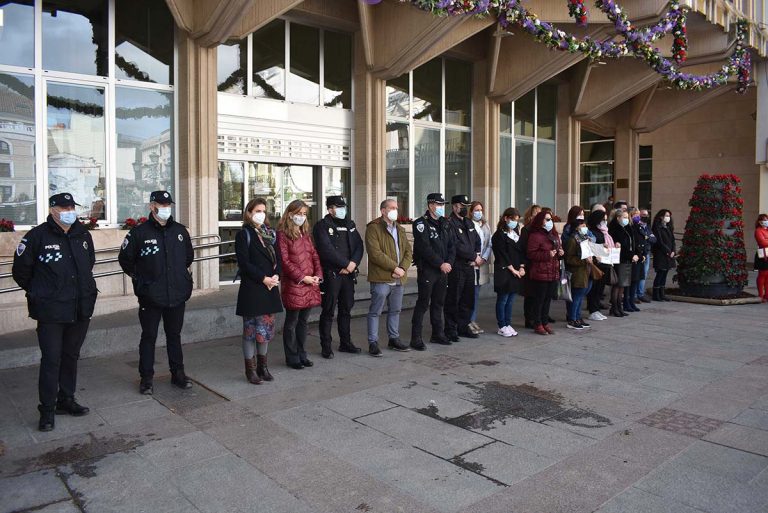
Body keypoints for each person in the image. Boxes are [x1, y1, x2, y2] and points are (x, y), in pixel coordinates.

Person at [13, 193, 98, 432]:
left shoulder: (83, 235)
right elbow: (21, 272)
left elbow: (88, 264)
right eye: (64, 207)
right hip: (51, 311)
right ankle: (47, 410)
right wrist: (41, 293)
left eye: (72, 206)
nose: (70, 210)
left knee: (71, 356)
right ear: (53, 210)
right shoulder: (36, 237)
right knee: (51, 360)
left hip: (79, 307)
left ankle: (66, 399)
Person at [119, 191, 194, 395]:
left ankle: (178, 373)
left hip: (176, 294)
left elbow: (188, 257)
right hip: (150, 296)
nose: (166, 208)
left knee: (174, 335)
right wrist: (142, 280)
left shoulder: (179, 231)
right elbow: (125, 259)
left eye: (168, 204)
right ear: (152, 206)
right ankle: (146, 378)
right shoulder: (139, 233)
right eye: (162, 204)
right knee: (149, 336)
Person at [235, 198, 281, 384]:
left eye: (263, 210)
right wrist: (264, 278)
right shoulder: (244, 234)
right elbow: (244, 263)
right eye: (257, 210)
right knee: (251, 332)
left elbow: (278, 259)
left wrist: (276, 276)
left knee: (266, 331)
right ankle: (250, 370)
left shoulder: (270, 233)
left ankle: (263, 367)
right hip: (253, 289)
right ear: (249, 212)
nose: (261, 214)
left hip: (270, 288)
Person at [312, 196, 364, 359]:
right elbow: (326, 250)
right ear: (330, 209)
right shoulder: (322, 226)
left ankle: (345, 342)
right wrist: (344, 264)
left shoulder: (350, 224)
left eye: (343, 206)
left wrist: (353, 263)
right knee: (328, 311)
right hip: (332, 274)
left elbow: (359, 245)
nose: (342, 209)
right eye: (338, 207)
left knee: (346, 309)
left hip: (348, 275)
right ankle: (326, 346)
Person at [277, 200, 322, 368]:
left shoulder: (305, 233)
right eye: (299, 213)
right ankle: (292, 356)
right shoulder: (282, 235)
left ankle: (302, 353)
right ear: (290, 214)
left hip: (310, 283)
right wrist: (302, 277)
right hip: (295, 284)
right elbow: (285, 261)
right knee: (292, 322)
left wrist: (318, 275)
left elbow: (314, 256)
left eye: (304, 214)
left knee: (304, 321)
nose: (301, 217)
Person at [365, 199, 413, 354]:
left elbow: (407, 251)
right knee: (375, 311)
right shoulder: (373, 228)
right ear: (383, 210)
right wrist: (395, 267)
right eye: (392, 208)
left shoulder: (399, 228)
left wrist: (402, 268)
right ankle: (373, 342)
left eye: (396, 208)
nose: (395, 211)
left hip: (399, 277)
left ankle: (394, 338)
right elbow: (375, 254)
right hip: (381, 278)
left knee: (395, 310)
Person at [411, 193, 455, 348]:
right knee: (423, 303)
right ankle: (415, 337)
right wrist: (440, 263)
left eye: (443, 204)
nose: (441, 207)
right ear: (430, 205)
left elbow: (452, 246)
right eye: (439, 204)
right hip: (428, 270)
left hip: (443, 271)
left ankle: (438, 334)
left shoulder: (446, 223)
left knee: (438, 303)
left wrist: (448, 263)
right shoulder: (420, 223)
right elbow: (424, 248)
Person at [445, 195, 482, 341]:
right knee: (454, 299)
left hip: (469, 267)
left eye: (466, 206)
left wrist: (476, 256)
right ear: (454, 207)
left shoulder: (468, 222)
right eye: (462, 206)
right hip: (457, 267)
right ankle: (450, 329)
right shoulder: (450, 223)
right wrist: (474, 257)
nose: (465, 209)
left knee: (468, 299)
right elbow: (456, 246)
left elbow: (477, 240)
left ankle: (463, 326)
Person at [526, 211, 562, 335]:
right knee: (539, 300)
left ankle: (545, 322)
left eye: (550, 219)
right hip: (540, 272)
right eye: (547, 219)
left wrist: (560, 253)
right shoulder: (535, 235)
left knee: (547, 299)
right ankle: (538, 323)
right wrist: (547, 255)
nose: (549, 222)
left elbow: (557, 249)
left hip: (552, 271)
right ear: (540, 221)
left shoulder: (553, 234)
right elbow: (531, 254)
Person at [491, 208, 525, 337]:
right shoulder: (499, 235)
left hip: (516, 270)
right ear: (506, 218)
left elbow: (521, 251)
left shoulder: (515, 233)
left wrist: (522, 267)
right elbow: (501, 255)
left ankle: (508, 323)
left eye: (517, 220)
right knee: (503, 299)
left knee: (511, 299)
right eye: (513, 219)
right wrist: (513, 269)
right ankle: (502, 325)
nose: (515, 222)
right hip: (505, 271)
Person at [565, 218, 594, 330]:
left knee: (581, 296)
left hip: (586, 271)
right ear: (577, 227)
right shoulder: (573, 240)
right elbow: (569, 258)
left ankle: (578, 317)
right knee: (576, 296)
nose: (584, 228)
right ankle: (572, 319)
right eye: (582, 226)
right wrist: (583, 261)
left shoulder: (585, 239)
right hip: (577, 273)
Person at [608, 208, 637, 317]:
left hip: (628, 260)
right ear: (618, 218)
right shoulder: (615, 229)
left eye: (627, 217)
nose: (626, 219)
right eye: (624, 217)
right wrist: (631, 255)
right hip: (619, 259)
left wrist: (635, 254)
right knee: (617, 285)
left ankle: (619, 307)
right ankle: (614, 307)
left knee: (622, 286)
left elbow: (631, 244)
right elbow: (621, 247)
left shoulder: (628, 228)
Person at [469, 201, 492, 335]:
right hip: (471, 263)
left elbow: (489, 244)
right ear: (471, 211)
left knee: (476, 294)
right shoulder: (468, 224)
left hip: (481, 263)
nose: (479, 212)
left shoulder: (485, 225)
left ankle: (473, 319)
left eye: (481, 210)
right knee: (470, 294)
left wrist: (483, 258)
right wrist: (475, 258)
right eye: (476, 210)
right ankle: (467, 320)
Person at [586, 209, 611, 321]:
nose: (604, 222)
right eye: (602, 220)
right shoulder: (591, 231)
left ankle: (596, 309)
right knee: (594, 289)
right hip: (596, 264)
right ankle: (593, 310)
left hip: (604, 262)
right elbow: (590, 246)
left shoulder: (602, 231)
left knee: (600, 289)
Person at [520, 204, 541, 329]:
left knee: (538, 293)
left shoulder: (541, 229)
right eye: (535, 214)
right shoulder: (526, 229)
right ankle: (529, 318)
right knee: (530, 294)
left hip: (539, 264)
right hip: (530, 264)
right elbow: (524, 248)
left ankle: (536, 316)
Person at [625, 207, 648, 311]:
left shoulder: (638, 226)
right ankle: (627, 301)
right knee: (630, 281)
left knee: (636, 280)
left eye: (638, 215)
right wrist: (636, 254)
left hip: (639, 257)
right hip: (633, 257)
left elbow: (643, 240)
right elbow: (632, 244)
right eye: (635, 215)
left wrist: (643, 254)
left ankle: (631, 301)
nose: (637, 217)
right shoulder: (629, 227)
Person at [651, 209, 676, 302]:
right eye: (666, 215)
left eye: (669, 216)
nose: (668, 218)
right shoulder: (657, 227)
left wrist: (673, 251)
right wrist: (667, 251)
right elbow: (659, 241)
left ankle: (662, 293)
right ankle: (656, 294)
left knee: (665, 274)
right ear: (661, 216)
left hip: (669, 255)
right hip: (661, 254)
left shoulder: (668, 227)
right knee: (660, 273)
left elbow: (673, 241)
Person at [635, 208, 655, 302]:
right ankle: (635, 294)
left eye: (647, 215)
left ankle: (640, 293)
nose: (645, 217)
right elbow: (643, 238)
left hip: (646, 252)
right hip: (639, 253)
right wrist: (647, 237)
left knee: (644, 274)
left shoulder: (648, 227)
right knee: (637, 274)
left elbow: (654, 239)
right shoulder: (636, 226)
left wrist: (646, 237)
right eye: (643, 215)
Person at [755, 214, 768, 302]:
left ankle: (766, 295)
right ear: (759, 222)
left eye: (766, 220)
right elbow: (762, 243)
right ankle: (760, 295)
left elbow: (765, 241)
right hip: (763, 254)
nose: (765, 221)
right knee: (762, 274)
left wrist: (766, 240)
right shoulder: (758, 230)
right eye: (764, 220)